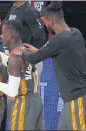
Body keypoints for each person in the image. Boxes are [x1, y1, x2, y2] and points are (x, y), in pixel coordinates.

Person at [20, 2, 86, 130]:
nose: (44, 24)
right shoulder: (75, 33)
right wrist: (36, 50)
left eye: (44, 21)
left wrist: (20, 52)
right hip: (71, 101)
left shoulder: (58, 40)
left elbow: (33, 59)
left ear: (50, 22)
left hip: (76, 100)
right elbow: (58, 52)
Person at [0, 19, 44, 130]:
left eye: (2, 33)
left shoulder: (15, 58)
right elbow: (11, 62)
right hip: (36, 101)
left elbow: (12, 91)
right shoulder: (27, 51)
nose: (0, 36)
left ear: (9, 35)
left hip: (23, 103)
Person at [3, 1, 47, 92]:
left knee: (27, 92)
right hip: (15, 58)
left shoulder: (30, 11)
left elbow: (41, 38)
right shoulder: (13, 7)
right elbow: (5, 27)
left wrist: (31, 57)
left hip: (27, 60)